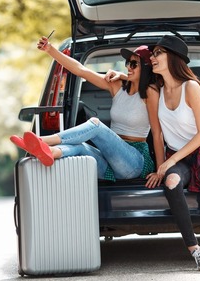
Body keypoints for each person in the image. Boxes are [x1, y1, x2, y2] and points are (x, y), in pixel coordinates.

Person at [10, 35, 164, 181]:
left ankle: (41, 141)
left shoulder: (150, 92)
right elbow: (80, 70)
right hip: (110, 161)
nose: (128, 67)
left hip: (133, 162)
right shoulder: (117, 86)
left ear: (146, 68)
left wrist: (160, 171)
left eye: (134, 64)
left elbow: (157, 134)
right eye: (127, 63)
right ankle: (49, 152)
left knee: (95, 124)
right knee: (79, 146)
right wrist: (50, 50)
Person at [148, 35, 200, 274]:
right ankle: (196, 252)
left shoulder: (191, 87)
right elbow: (157, 134)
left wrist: (170, 160)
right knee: (171, 183)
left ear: (172, 57)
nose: (152, 58)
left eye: (157, 53)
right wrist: (161, 167)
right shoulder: (155, 91)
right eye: (152, 54)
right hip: (180, 157)